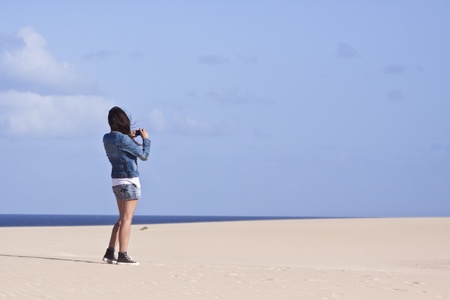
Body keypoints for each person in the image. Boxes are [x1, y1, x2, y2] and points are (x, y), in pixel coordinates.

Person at [102, 106, 151, 265]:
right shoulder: (123, 140)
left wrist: (128, 137)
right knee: (127, 219)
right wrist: (145, 139)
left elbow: (119, 144)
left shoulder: (107, 138)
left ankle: (110, 252)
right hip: (129, 180)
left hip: (116, 180)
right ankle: (123, 254)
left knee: (122, 219)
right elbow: (144, 155)